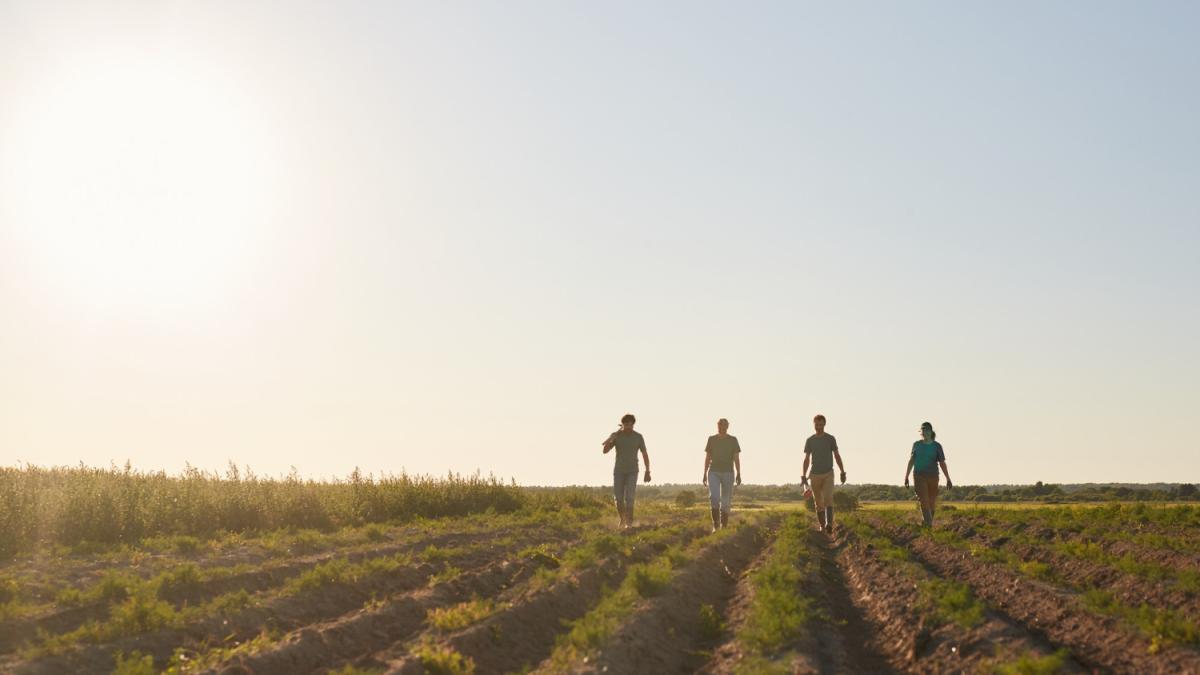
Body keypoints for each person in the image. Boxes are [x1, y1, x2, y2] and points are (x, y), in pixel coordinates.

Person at [602, 413, 651, 529]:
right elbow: (605, 451)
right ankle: (622, 519)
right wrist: (610, 439)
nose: (629, 426)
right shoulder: (616, 436)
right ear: (622, 425)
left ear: (633, 424)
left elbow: (644, 454)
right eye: (626, 424)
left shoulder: (638, 437)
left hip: (633, 471)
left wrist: (647, 471)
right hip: (619, 471)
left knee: (629, 497)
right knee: (618, 498)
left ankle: (629, 522)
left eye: (631, 424)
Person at [801, 414, 846, 534]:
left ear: (824, 425)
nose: (818, 427)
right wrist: (803, 475)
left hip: (828, 474)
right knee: (818, 503)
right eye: (816, 424)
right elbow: (806, 459)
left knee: (828, 499)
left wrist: (842, 471)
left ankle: (829, 524)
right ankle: (822, 526)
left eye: (820, 424)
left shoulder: (830, 439)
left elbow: (837, 455)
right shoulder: (810, 440)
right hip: (814, 475)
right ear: (813, 424)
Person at [905, 421, 953, 527]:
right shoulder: (916, 445)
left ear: (931, 432)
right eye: (923, 430)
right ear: (921, 432)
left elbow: (942, 463)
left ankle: (926, 523)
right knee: (924, 499)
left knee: (931, 501)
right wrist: (906, 476)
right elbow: (911, 460)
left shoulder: (937, 446)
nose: (925, 432)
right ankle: (929, 525)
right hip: (919, 475)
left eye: (927, 430)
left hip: (933, 476)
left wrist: (948, 479)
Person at [702, 418, 742, 532]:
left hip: (728, 472)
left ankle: (724, 527)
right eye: (719, 425)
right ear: (717, 426)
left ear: (727, 426)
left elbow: (736, 458)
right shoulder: (711, 439)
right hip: (713, 472)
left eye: (724, 425)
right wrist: (704, 473)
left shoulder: (733, 440)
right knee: (714, 498)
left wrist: (739, 473)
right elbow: (707, 457)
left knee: (726, 502)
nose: (721, 427)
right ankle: (716, 525)